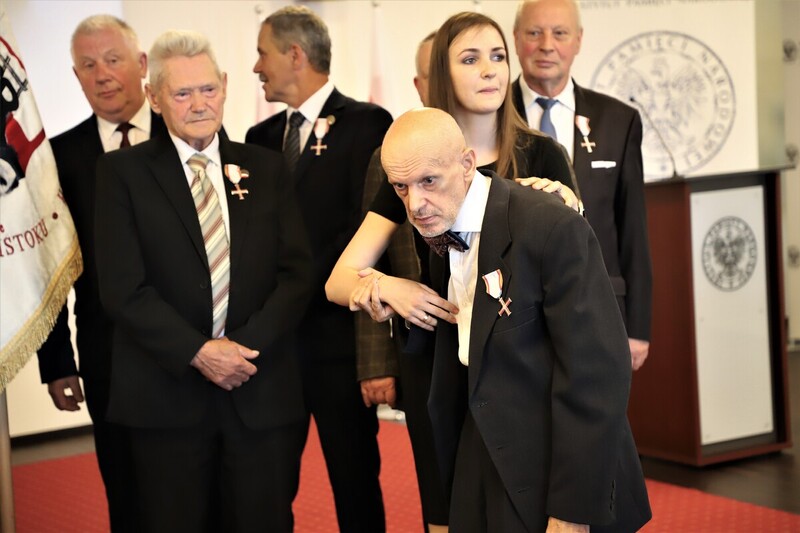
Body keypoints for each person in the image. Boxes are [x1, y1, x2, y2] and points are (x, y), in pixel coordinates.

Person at [379, 107, 652, 532]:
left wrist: (572, 513)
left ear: (467, 164)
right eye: (401, 187)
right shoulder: (438, 227)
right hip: (481, 448)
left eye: (428, 181)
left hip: (558, 458)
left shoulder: (549, 224)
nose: (415, 204)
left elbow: (597, 375)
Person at [94, 30, 313, 532]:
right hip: (166, 398)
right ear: (154, 97)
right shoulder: (121, 173)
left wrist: (240, 348)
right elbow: (123, 289)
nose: (199, 104)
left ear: (226, 86)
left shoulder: (267, 166)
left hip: (258, 391)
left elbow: (297, 274)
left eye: (208, 89)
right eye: (182, 92)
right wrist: (199, 352)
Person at [245, 6, 393, 532]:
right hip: (273, 352)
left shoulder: (367, 124)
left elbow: (367, 232)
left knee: (355, 483)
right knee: (267, 486)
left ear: (294, 54)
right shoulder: (257, 139)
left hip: (337, 345)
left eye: (262, 53)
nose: (256, 66)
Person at [35, 15, 167, 531]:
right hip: (107, 357)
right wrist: (57, 361)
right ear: (75, 75)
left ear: (140, 66)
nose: (102, 74)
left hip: (195, 351)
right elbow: (51, 268)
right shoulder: (58, 158)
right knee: (127, 495)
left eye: (113, 60)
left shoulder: (189, 136)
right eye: (88, 65)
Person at [512, 0, 653, 370]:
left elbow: (633, 228)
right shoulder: (492, 116)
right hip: (514, 313)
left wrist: (637, 326)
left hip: (601, 306)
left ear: (577, 40)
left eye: (559, 33)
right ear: (515, 39)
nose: (546, 45)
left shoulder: (618, 120)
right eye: (534, 32)